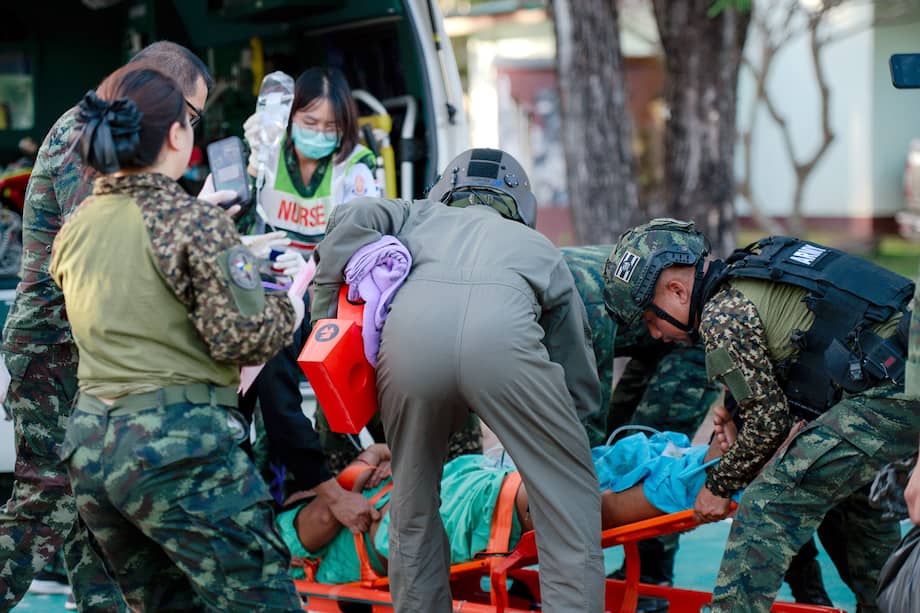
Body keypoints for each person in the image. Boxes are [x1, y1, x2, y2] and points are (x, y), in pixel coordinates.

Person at [49, 65, 304, 612]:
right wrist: (289, 303)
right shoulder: (192, 223)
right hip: (178, 449)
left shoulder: (77, 224)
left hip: (93, 451)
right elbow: (245, 340)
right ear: (174, 136)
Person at [311, 148, 605, 613]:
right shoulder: (538, 248)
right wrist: (568, 436)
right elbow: (573, 361)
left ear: (445, 189)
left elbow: (353, 213)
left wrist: (324, 314)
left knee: (413, 505)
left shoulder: (416, 214)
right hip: (504, 348)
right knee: (568, 503)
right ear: (520, 204)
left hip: (410, 349)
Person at [0, 41, 229, 612]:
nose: (189, 129)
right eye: (192, 114)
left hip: (82, 347)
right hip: (55, 349)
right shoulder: (87, 135)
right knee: (46, 502)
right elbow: (105, 245)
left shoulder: (111, 135)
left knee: (94, 511)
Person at [604, 218, 920, 612]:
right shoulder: (751, 270)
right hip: (897, 381)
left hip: (895, 390)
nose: (654, 333)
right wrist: (741, 424)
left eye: (652, 318)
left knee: (769, 503)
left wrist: (718, 485)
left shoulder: (721, 315)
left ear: (677, 291)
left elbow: (768, 425)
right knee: (848, 500)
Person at [239, 66, 479, 512]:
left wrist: (313, 270)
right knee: (263, 376)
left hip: (330, 288)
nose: (319, 134)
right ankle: (279, 480)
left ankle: (341, 471)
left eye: (330, 127)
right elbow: (237, 219)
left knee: (314, 370)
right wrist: (248, 168)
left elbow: (365, 242)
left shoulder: (356, 166)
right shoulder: (266, 152)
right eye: (309, 123)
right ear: (290, 117)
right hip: (272, 286)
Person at [570, 244, 833, 606]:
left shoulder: (576, 309)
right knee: (620, 450)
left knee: (671, 470)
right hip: (656, 329)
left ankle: (652, 575)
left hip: (690, 334)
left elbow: (585, 415)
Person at [280, 418, 734, 586]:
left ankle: (702, 466)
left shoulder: (277, 541)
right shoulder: (285, 539)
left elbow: (348, 490)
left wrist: (368, 462)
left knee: (569, 487)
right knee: (565, 497)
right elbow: (328, 512)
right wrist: (354, 474)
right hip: (433, 515)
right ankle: (703, 469)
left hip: (439, 501)